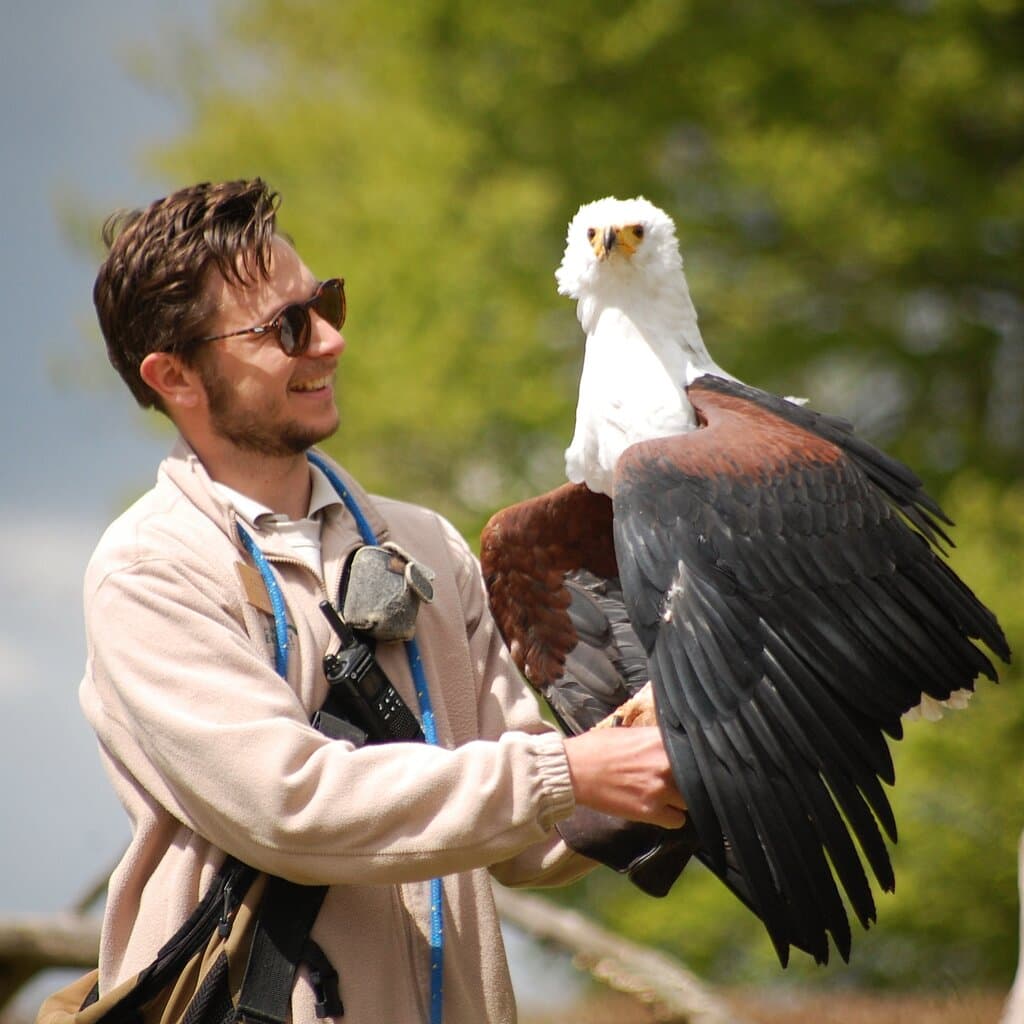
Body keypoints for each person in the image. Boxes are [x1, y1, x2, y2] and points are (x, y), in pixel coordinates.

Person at [81, 178, 686, 1024]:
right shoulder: (150, 573)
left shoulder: (425, 546)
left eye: (324, 302)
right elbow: (289, 806)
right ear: (173, 374)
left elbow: (530, 831)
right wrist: (566, 769)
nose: (328, 341)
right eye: (286, 326)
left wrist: (699, 745)